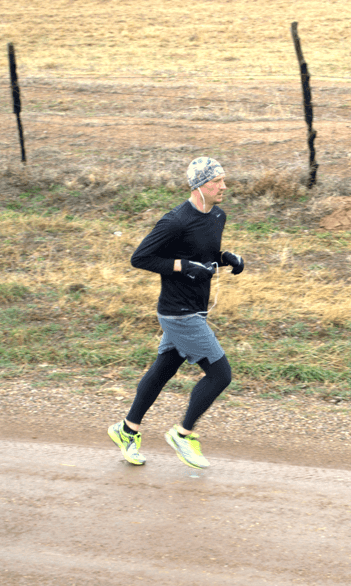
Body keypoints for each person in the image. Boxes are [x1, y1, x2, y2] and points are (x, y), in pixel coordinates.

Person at [108, 157, 244, 469]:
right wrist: (183, 267)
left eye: (224, 180)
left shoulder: (217, 215)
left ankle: (126, 430)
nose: (224, 186)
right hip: (178, 313)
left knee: (163, 370)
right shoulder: (175, 221)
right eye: (217, 181)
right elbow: (140, 257)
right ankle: (183, 435)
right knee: (221, 374)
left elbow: (204, 255)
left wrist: (227, 258)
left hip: (196, 308)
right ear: (200, 186)